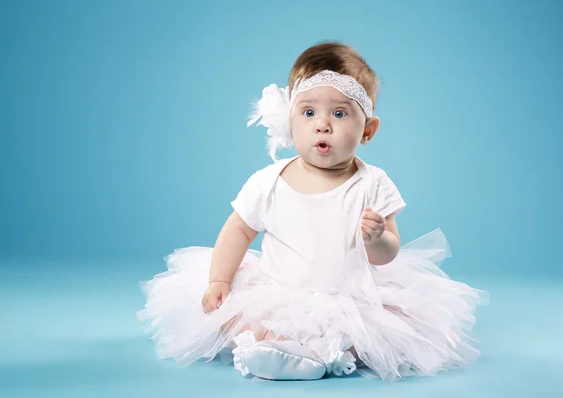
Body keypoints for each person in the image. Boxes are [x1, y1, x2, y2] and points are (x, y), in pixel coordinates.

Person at [138, 41, 488, 382]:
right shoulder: (268, 181)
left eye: (339, 113)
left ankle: (323, 357)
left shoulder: (373, 182)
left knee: (363, 340)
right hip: (279, 290)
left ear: (367, 129)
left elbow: (387, 255)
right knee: (245, 322)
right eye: (308, 112)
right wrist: (219, 279)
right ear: (290, 122)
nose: (322, 124)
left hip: (348, 297)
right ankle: (282, 353)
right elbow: (238, 231)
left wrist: (378, 238)